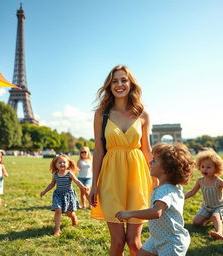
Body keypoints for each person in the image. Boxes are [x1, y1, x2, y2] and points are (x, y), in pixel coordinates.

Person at [89, 65, 154, 256]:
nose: (119, 84)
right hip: (110, 178)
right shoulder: (102, 113)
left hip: (138, 177)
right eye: (115, 81)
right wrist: (94, 184)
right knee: (117, 242)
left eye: (123, 80)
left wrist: (159, 178)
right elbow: (99, 150)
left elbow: (147, 150)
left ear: (130, 83)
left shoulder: (143, 114)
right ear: (109, 86)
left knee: (134, 242)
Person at [116, 142, 195, 256]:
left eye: (154, 161)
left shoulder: (165, 190)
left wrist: (130, 213)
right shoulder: (172, 187)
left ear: (165, 169)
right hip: (157, 238)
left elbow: (156, 212)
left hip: (171, 243)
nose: (150, 162)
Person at [185, 149, 223, 240]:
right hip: (207, 206)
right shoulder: (200, 181)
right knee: (196, 222)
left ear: (216, 169)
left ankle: (219, 232)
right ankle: (216, 219)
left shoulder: (218, 181)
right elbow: (192, 192)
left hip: (220, 206)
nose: (205, 169)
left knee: (215, 216)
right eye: (202, 166)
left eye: (208, 167)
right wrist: (181, 198)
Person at [40, 154, 88, 236]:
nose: (62, 164)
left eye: (64, 162)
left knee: (69, 212)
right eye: (60, 162)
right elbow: (52, 184)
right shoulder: (55, 174)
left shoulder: (69, 173)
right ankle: (57, 229)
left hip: (68, 195)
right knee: (58, 210)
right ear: (56, 165)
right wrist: (44, 191)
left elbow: (77, 181)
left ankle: (73, 217)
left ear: (68, 164)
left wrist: (83, 187)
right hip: (58, 195)